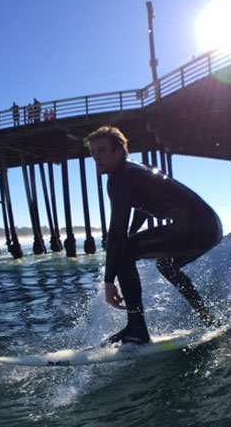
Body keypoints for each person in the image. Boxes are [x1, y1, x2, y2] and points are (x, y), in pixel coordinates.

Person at [86, 126, 222, 345]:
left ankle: (137, 329)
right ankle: (207, 317)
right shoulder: (132, 172)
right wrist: (130, 235)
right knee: (166, 265)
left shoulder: (120, 177)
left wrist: (109, 279)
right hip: (211, 227)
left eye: (102, 150)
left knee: (124, 251)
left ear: (120, 150)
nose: (96, 157)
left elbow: (117, 230)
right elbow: (141, 207)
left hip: (197, 228)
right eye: (93, 153)